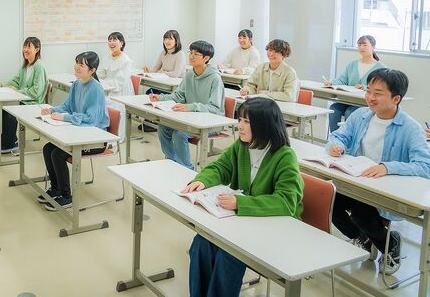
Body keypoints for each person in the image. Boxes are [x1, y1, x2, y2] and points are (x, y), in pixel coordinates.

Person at [182, 97, 303, 297]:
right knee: (201, 244)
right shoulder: (243, 146)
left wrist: (240, 203)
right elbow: (220, 167)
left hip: (275, 226)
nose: (239, 126)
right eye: (240, 119)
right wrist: (203, 180)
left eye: (247, 122)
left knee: (228, 255)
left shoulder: (284, 156)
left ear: (264, 125)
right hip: (244, 221)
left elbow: (287, 202)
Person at [327, 68, 430, 275]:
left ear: (396, 98)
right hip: (358, 181)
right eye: (368, 91)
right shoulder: (361, 115)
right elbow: (339, 136)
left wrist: (387, 167)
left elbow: (425, 166)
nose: (370, 98)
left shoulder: (410, 127)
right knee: (330, 203)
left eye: (378, 93)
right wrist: (336, 145)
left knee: (361, 213)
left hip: (386, 191)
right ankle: (365, 239)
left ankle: (388, 243)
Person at [39, 51, 109, 211]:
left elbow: (92, 120)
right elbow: (68, 106)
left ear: (92, 70)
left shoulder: (96, 89)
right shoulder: (77, 84)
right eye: (77, 62)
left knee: (58, 153)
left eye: (82, 64)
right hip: (79, 134)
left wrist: (64, 118)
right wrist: (52, 110)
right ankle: (55, 189)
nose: (77, 67)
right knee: (48, 148)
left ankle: (66, 196)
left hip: (95, 139)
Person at [150, 40, 224, 169]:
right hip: (190, 118)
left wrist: (189, 107)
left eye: (196, 54)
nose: (191, 56)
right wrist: (161, 98)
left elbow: (215, 108)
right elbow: (179, 95)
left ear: (206, 58)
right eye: (191, 52)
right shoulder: (190, 74)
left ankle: (187, 168)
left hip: (210, 122)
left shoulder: (215, 78)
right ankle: (172, 161)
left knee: (179, 134)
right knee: (163, 127)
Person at [0, 37, 48, 153]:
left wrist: (17, 92)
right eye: (24, 46)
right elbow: (16, 80)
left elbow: (36, 91)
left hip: (33, 103)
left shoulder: (39, 66)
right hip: (23, 100)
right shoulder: (26, 65)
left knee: (8, 110)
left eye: (28, 47)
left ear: (37, 49)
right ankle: (0, 140)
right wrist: (1, 84)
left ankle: (11, 143)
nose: (25, 50)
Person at [324, 35, 384, 133]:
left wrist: (365, 87)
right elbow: (343, 80)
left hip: (365, 104)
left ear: (373, 47)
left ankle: (349, 141)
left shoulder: (380, 68)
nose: (361, 47)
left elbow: (381, 88)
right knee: (334, 109)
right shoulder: (352, 64)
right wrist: (332, 82)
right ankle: (335, 139)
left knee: (350, 112)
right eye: (359, 45)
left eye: (365, 44)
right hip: (349, 100)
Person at [98, 31, 133, 141]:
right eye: (109, 40)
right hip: (108, 88)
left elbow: (119, 82)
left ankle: (115, 137)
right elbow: (101, 73)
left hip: (121, 92)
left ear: (121, 43)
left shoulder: (126, 60)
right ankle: (101, 133)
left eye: (114, 40)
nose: (111, 42)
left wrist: (103, 84)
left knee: (113, 106)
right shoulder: (107, 57)